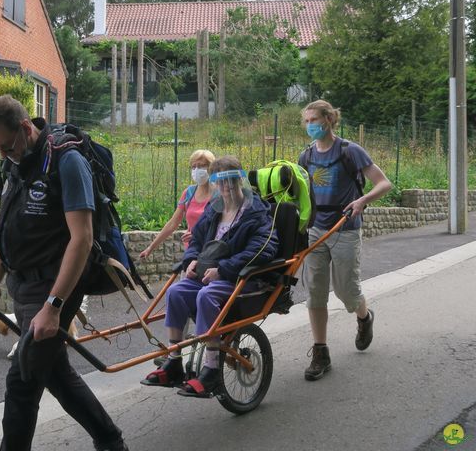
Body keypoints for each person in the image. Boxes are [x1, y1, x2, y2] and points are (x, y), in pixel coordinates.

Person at [0, 95, 127, 451]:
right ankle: (110, 441)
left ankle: (109, 440)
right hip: (22, 285)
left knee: (23, 381)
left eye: (5, 146)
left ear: (25, 128)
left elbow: (82, 239)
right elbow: (6, 232)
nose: (2, 156)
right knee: (56, 374)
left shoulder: (67, 161)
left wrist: (54, 307)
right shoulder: (16, 162)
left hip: (54, 284)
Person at [140, 156, 279, 397]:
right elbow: (196, 241)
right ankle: (174, 361)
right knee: (176, 291)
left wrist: (224, 269)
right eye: (220, 182)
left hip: (241, 280)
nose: (226, 188)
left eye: (230, 181)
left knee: (206, 295)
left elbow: (263, 249)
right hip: (209, 276)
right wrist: (191, 259)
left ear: (239, 180)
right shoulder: (214, 210)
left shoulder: (256, 212)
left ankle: (212, 370)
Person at [298, 100, 392, 382]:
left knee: (346, 292)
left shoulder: (350, 151)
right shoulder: (306, 156)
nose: (309, 125)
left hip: (345, 228)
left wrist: (362, 200)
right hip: (315, 230)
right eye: (306, 121)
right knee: (315, 291)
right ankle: (320, 351)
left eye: (314, 119)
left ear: (329, 120)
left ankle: (364, 317)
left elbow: (384, 182)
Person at [139, 149, 215, 258]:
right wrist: (150, 248)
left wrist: (198, 235)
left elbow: (224, 226)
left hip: (212, 253)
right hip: (191, 252)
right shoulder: (189, 193)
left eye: (201, 166)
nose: (197, 170)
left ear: (211, 168)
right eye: (193, 167)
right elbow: (173, 223)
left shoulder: (219, 194)